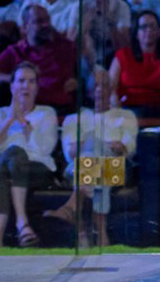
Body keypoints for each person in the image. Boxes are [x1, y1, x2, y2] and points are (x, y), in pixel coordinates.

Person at [49, 66, 138, 247]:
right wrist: (104, 144)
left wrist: (93, 144)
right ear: (89, 90)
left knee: (94, 152)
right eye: (95, 85)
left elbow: (128, 149)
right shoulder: (75, 119)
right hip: (79, 170)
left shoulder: (125, 116)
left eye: (104, 85)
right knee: (96, 161)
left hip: (117, 169)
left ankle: (75, 216)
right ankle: (102, 237)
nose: (99, 90)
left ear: (111, 88)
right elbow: (70, 153)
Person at [0, 63, 58, 247]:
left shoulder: (46, 113)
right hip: (3, 167)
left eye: (31, 82)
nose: (26, 86)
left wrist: (24, 122)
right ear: (12, 86)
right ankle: (22, 224)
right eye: (21, 81)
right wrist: (9, 120)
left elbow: (45, 149)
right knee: (8, 160)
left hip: (36, 168)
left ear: (37, 88)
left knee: (12, 156)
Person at [0, 4, 78, 108]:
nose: (46, 25)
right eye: (39, 21)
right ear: (25, 27)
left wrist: (77, 81)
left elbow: (84, 73)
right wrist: (17, 78)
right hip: (26, 111)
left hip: (60, 110)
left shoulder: (65, 46)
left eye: (47, 20)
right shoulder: (16, 51)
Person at [112, 9, 160, 112]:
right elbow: (110, 86)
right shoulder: (123, 55)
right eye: (143, 27)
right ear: (136, 33)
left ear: (159, 32)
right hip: (126, 109)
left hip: (156, 110)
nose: (148, 30)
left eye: (152, 26)